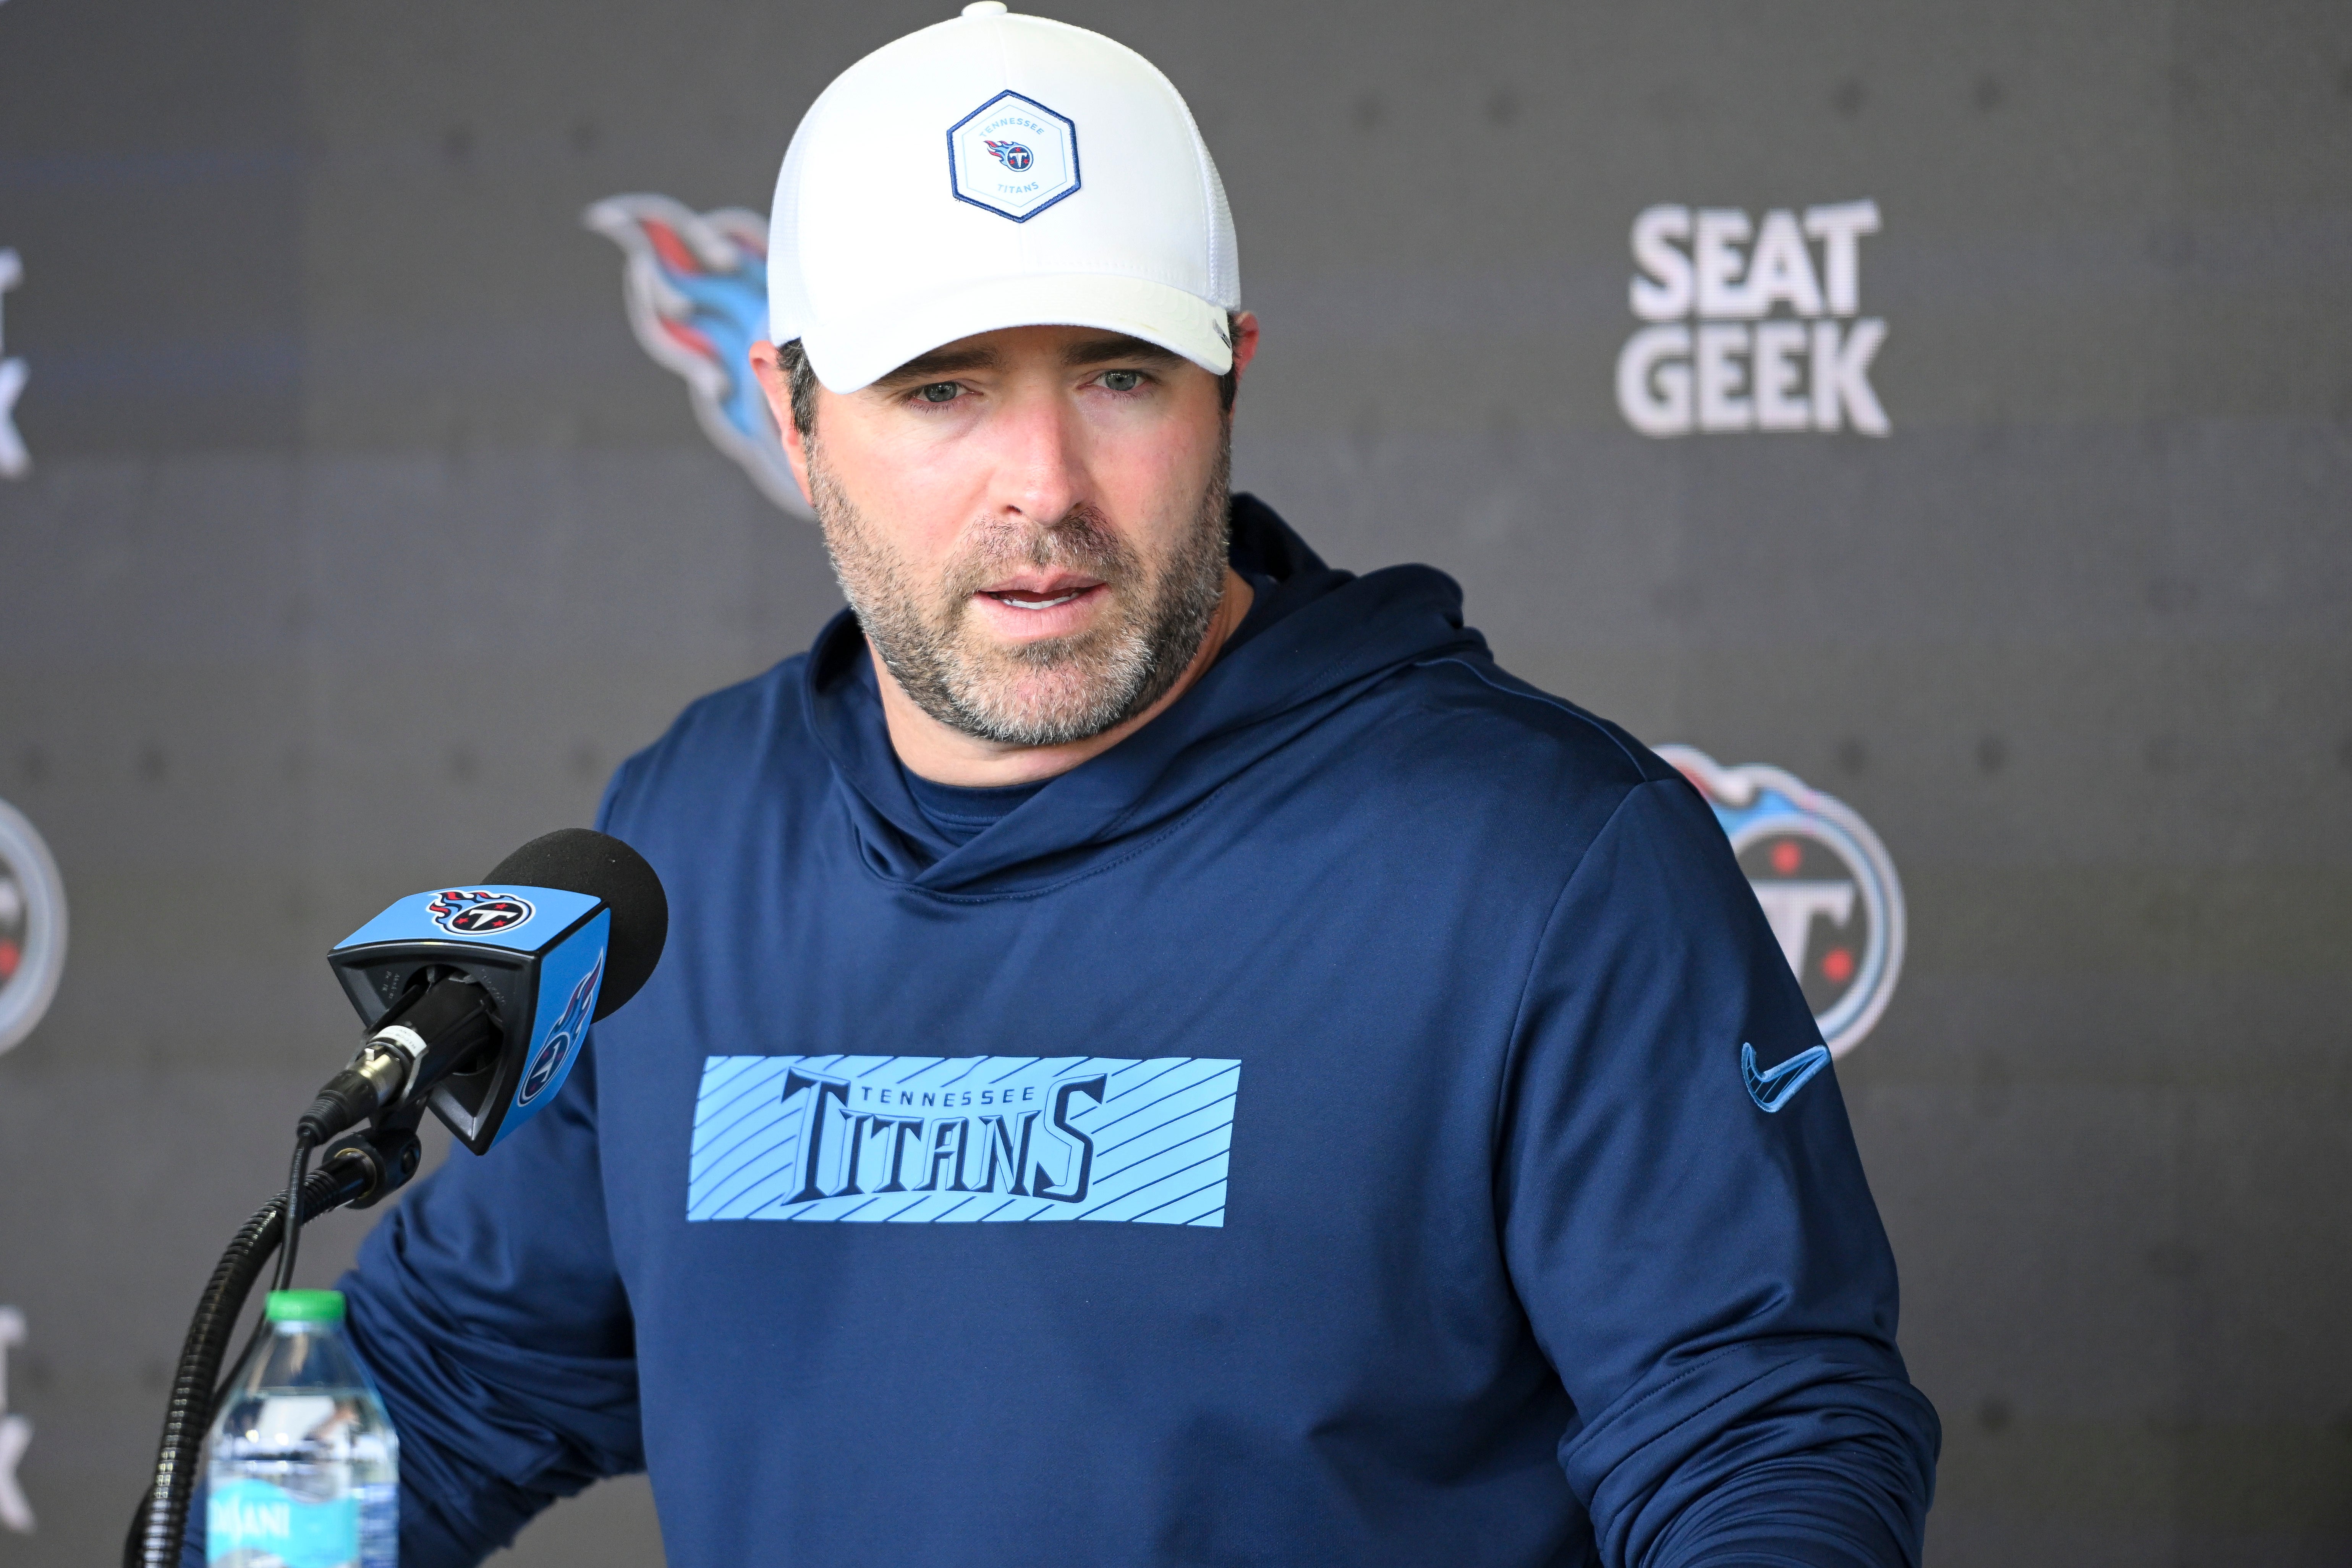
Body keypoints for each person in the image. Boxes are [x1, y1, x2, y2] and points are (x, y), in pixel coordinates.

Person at [335, 6, 1940, 1565]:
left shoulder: (1535, 860)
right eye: (943, 388)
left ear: (1229, 379)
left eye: (1118, 376)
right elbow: (442, 1385)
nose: (1044, 485)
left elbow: (1759, 1444)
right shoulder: (691, 836)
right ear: (792, 415)